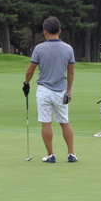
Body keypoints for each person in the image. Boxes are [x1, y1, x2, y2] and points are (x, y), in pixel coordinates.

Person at [23, 16, 77, 163]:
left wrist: (26, 83)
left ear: (45, 32)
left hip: (44, 91)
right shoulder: (68, 49)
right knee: (64, 122)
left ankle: (50, 155)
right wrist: (69, 90)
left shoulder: (39, 48)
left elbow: (30, 70)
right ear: (59, 31)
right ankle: (71, 154)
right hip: (61, 91)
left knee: (46, 122)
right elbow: (71, 72)